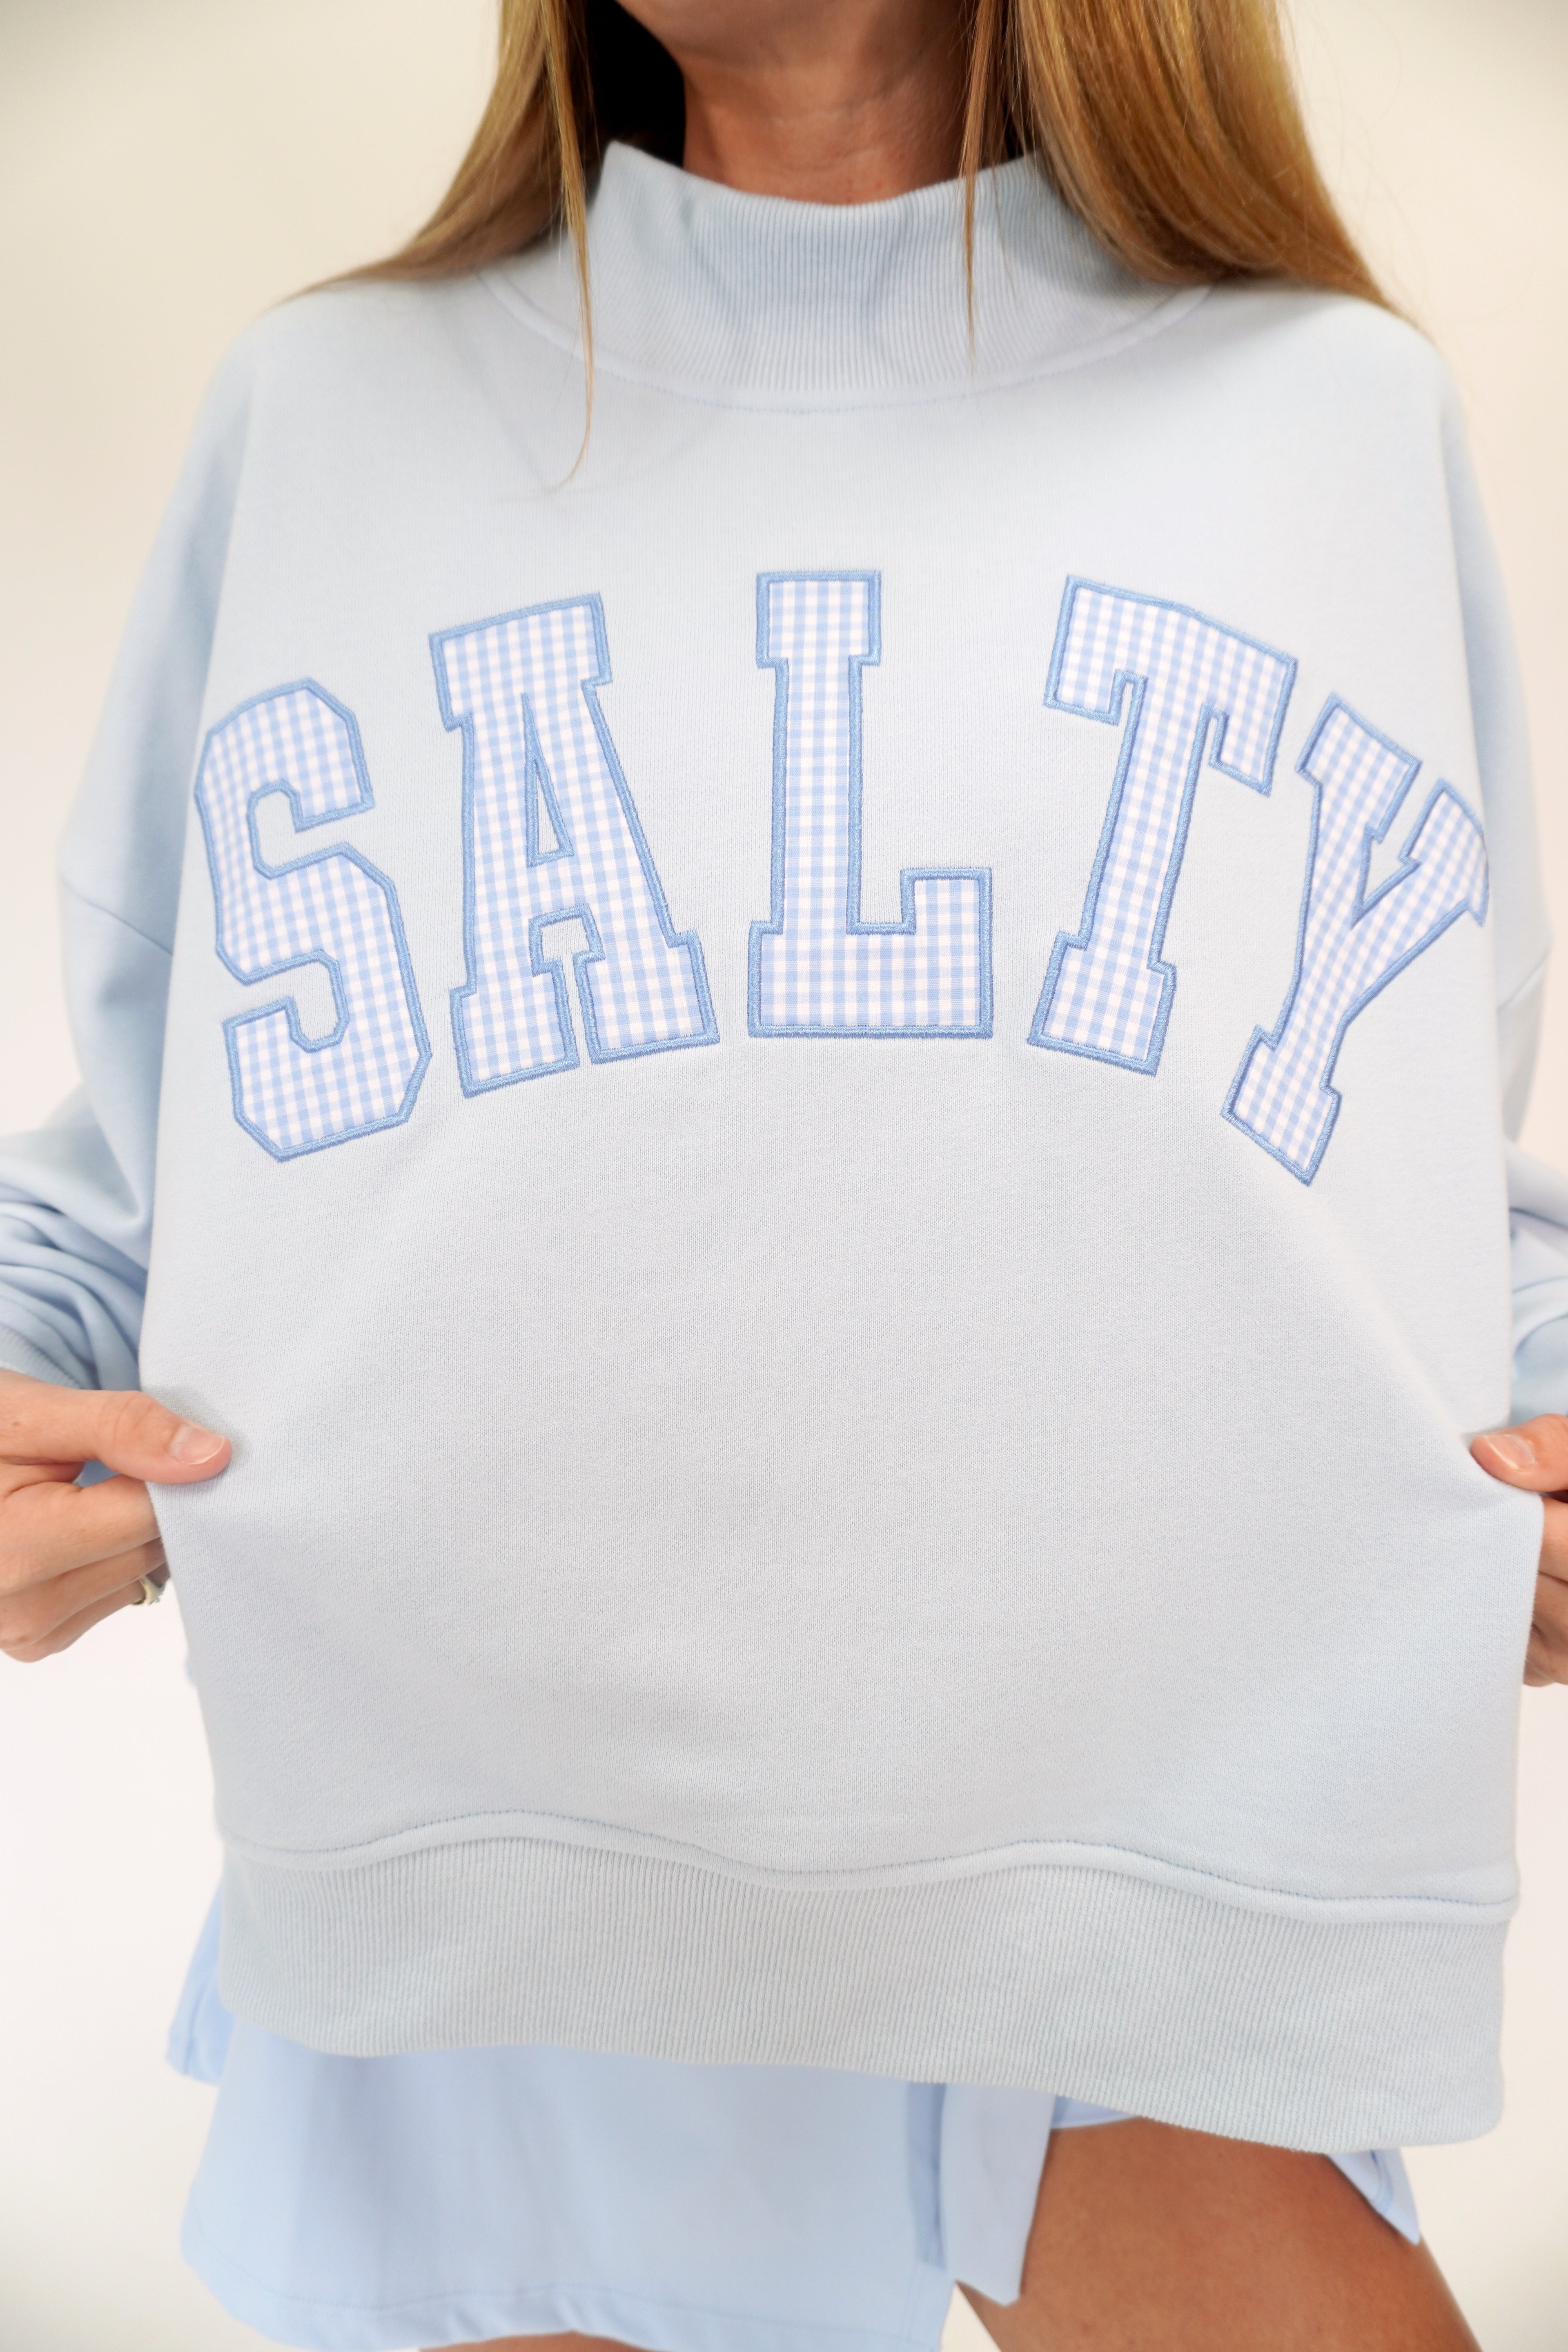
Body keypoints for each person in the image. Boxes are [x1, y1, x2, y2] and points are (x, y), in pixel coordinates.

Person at [3, 1, 1566, 2346]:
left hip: (1136, 1834)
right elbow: (138, 1166)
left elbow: (1407, 1146)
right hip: (493, 1863)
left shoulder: (1326, 417)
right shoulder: (324, 413)